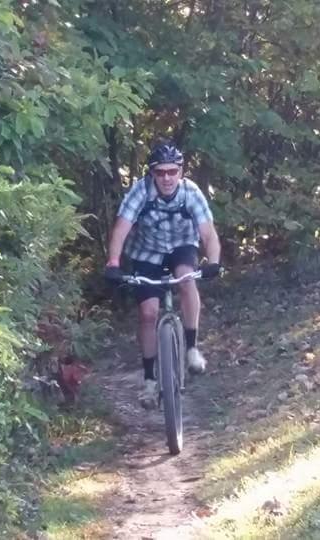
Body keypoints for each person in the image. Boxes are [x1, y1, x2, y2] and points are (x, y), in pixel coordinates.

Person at [104, 142, 222, 409]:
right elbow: (121, 229)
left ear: (181, 172)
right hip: (146, 253)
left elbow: (208, 233)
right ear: (152, 174)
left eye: (172, 171)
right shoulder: (140, 192)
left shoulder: (191, 193)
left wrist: (213, 262)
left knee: (187, 279)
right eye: (161, 173)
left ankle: (191, 349)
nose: (167, 178)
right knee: (147, 313)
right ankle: (149, 380)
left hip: (181, 246)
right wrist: (113, 262)